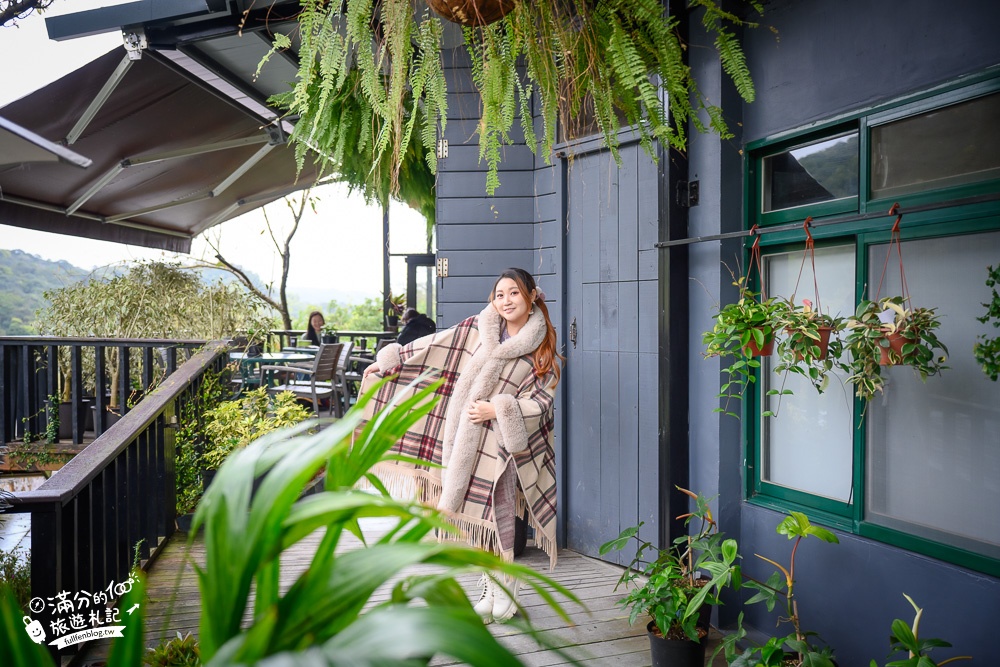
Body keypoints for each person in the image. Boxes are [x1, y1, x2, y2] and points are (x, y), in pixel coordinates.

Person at [360, 267, 562, 625]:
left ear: (531, 296)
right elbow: (435, 345)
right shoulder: (477, 329)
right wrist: (392, 361)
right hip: (466, 437)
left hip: (502, 443)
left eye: (513, 293)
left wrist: (498, 408)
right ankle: (491, 582)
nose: (506, 301)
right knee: (475, 514)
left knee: (496, 510)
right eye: (499, 294)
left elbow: (543, 402)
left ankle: (508, 582)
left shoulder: (542, 346)